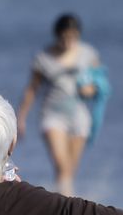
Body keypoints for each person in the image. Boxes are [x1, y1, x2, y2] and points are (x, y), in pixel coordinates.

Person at [16, 13, 101, 196]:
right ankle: (66, 209)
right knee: (62, 166)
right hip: (52, 115)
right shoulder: (43, 57)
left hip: (79, 116)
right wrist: (21, 118)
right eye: (64, 37)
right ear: (57, 35)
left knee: (69, 169)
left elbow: (100, 82)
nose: (68, 41)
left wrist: (91, 90)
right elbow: (32, 89)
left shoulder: (88, 54)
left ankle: (64, 204)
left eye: (73, 37)